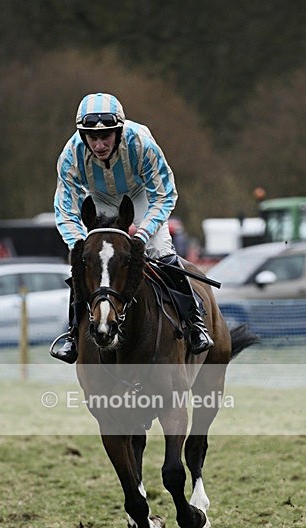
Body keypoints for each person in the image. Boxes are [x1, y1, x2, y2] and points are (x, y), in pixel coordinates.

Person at [50, 92, 213, 363]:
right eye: (92, 138)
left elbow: (164, 194)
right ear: (82, 136)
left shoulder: (142, 144)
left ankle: (195, 324)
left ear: (119, 131)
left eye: (106, 137)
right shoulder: (70, 156)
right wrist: (80, 245)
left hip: (140, 196)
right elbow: (64, 210)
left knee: (162, 251)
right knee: (86, 264)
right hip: (99, 198)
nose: (99, 144)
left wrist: (143, 235)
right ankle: (71, 335)